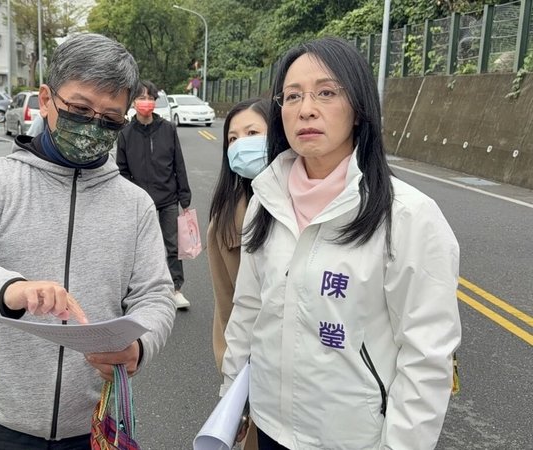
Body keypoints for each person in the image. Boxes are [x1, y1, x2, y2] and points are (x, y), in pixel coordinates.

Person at [0, 33, 175, 449]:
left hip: (92, 425)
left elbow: (156, 295)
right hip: (0, 423)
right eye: (80, 109)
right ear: (47, 99)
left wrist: (140, 347)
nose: (93, 127)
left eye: (110, 119)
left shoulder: (134, 204)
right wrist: (9, 289)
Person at [221, 37, 461, 450]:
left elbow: (426, 355)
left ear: (358, 109)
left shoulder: (407, 215)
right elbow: (248, 311)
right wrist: (233, 400)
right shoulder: (267, 199)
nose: (306, 108)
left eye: (326, 92)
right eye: (292, 96)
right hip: (271, 429)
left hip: (356, 439)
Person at [207, 98, 269, 450]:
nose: (241, 144)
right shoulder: (223, 223)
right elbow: (226, 306)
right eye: (233, 138)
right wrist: (234, 385)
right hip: (252, 370)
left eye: (252, 133)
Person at [116, 79, 192, 309]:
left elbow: (179, 162)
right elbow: (121, 169)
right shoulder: (126, 133)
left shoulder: (167, 129)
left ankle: (175, 289)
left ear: (155, 102)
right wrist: (132, 193)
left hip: (168, 198)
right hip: (139, 201)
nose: (146, 102)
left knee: (172, 245)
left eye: (150, 98)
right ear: (133, 102)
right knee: (137, 246)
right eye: (141, 98)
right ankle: (135, 291)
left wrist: (184, 197)